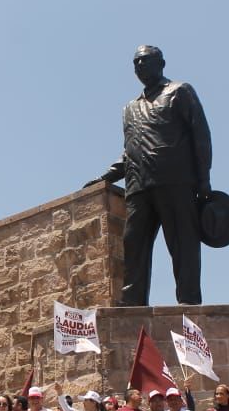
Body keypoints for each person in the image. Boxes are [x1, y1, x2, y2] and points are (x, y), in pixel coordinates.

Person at [86, 44, 212, 306]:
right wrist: (107, 177)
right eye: (136, 62)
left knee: (183, 245)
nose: (140, 66)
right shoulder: (130, 108)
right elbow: (130, 150)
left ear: (161, 63)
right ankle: (132, 304)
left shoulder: (179, 91)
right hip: (138, 186)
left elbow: (200, 136)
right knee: (133, 246)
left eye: (145, 60)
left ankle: (189, 304)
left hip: (175, 181)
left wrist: (203, 180)